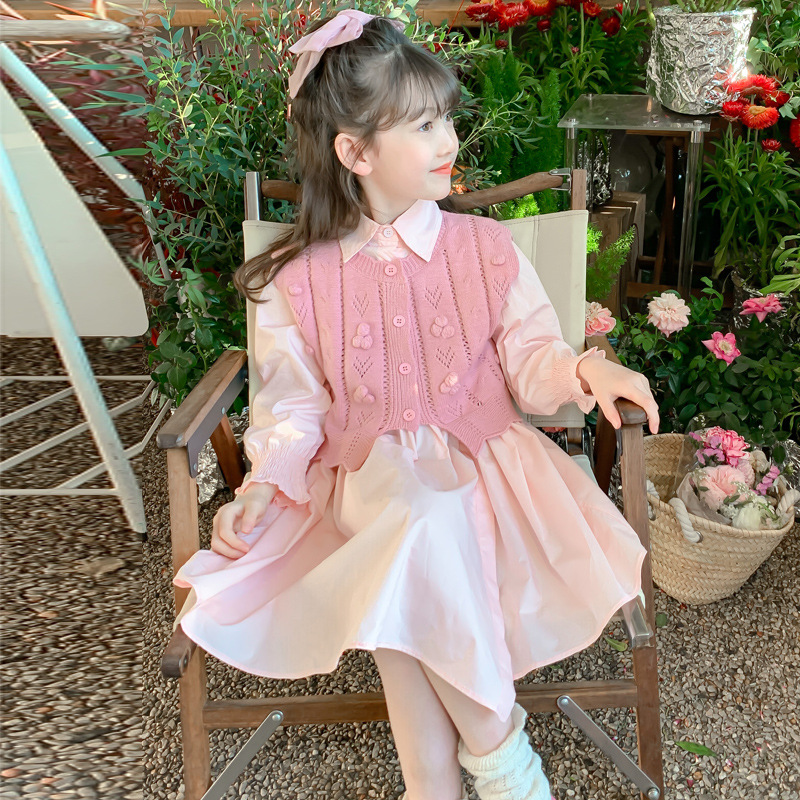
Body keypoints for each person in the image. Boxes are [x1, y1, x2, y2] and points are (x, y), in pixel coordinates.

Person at [172, 9, 660, 800]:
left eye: (446, 120)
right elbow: (292, 408)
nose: (449, 141)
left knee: (410, 574)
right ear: (356, 153)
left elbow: (531, 360)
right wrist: (262, 486)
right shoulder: (299, 280)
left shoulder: (486, 250)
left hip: (485, 470)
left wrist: (584, 370)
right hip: (366, 478)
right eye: (424, 125)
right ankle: (503, 760)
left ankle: (433, 791)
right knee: (416, 522)